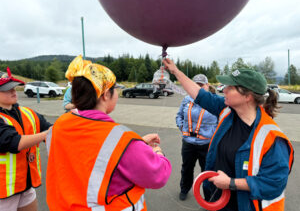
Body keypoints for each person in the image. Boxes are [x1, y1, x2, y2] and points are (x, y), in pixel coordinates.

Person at [163, 58, 294, 211]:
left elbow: (273, 184)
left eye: (230, 87)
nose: (224, 90)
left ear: (247, 96)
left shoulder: (272, 138)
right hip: (218, 201)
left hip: (245, 206)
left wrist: (230, 183)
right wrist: (175, 71)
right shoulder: (227, 111)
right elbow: (199, 95)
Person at [46, 55, 171, 211]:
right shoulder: (118, 138)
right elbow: (157, 175)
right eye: (115, 90)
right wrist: (157, 152)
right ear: (105, 94)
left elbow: (88, 156)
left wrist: (137, 144)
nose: (117, 95)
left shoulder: (60, 125)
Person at [0, 67, 52, 211]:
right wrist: (47, 134)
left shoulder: (27, 112)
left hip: (25, 184)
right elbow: (14, 142)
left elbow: (49, 128)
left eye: (13, 88)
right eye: (6, 89)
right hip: (3, 191)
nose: (13, 91)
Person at [176, 74, 218, 201]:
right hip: (188, 143)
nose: (198, 88)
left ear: (207, 85)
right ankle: (184, 189)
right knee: (186, 168)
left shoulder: (214, 101)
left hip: (206, 144)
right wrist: (182, 128)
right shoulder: (187, 99)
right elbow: (179, 116)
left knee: (207, 172)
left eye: (201, 85)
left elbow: (221, 122)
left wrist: (213, 134)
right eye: (196, 85)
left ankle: (208, 198)